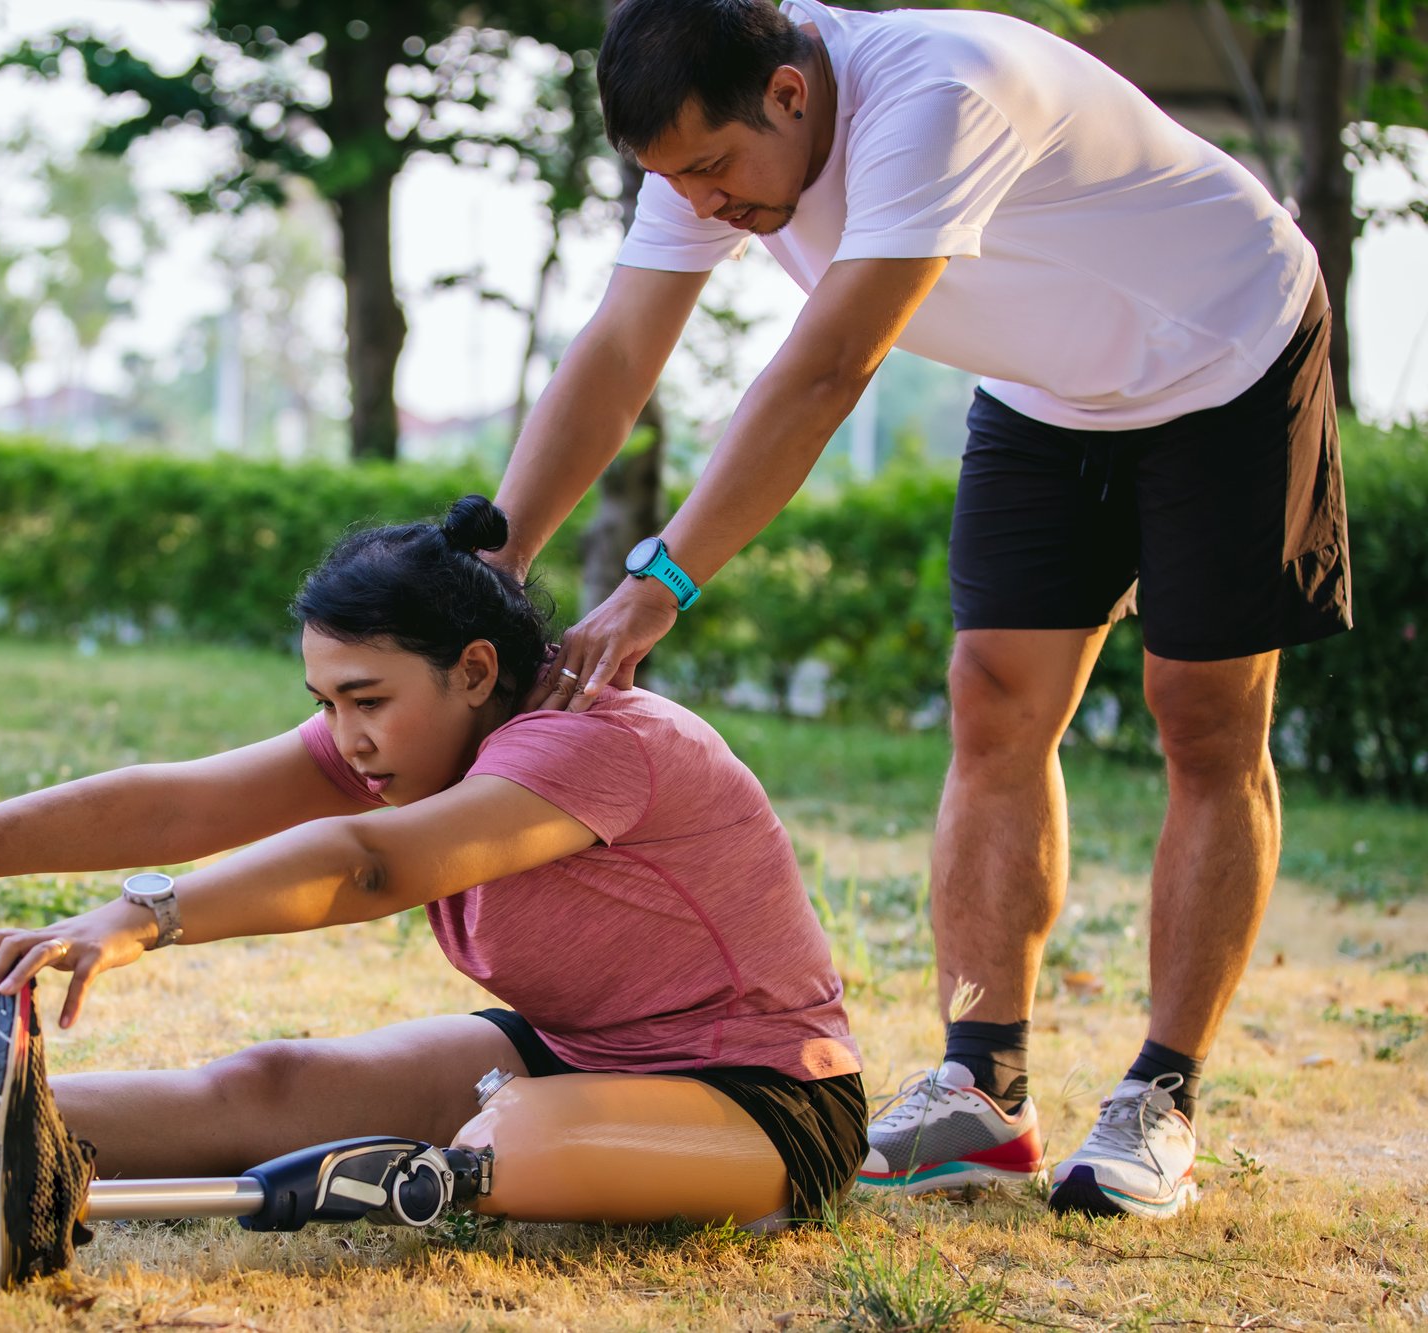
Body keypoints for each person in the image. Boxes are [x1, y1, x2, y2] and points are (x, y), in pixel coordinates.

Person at [487, 0, 1349, 1220]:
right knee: (992, 701)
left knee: (1201, 716)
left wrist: (658, 583)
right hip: (1051, 390)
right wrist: (498, 557)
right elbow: (622, 346)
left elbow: (828, 368)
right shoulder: (699, 143)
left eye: (714, 172)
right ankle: (980, 1086)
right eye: (671, 181)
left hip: (1222, 354)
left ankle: (1160, 1094)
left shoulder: (938, 95)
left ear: (791, 95)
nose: (699, 207)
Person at [0, 496, 867, 1288]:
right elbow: (169, 803)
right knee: (271, 1079)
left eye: (364, 697)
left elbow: (371, 865)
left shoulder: (591, 744)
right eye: (322, 702)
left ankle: (64, 1199)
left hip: (760, 1102)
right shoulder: (407, 736)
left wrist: (138, 917)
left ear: (472, 672)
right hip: (578, 1046)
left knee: (502, 1132)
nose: (341, 735)